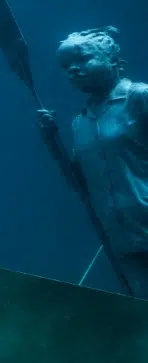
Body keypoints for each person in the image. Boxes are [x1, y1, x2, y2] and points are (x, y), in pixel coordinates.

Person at [37, 26, 148, 297]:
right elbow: (80, 184)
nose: (73, 70)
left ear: (113, 60)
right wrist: (52, 141)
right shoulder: (81, 122)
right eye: (67, 66)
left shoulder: (140, 98)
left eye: (83, 60)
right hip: (121, 238)